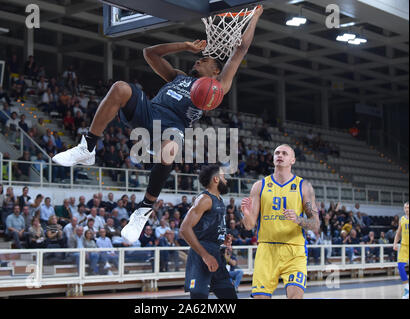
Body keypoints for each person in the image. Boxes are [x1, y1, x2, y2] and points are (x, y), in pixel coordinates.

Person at [53, 6, 264, 241]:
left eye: (203, 60)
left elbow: (240, 50)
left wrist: (254, 17)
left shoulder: (218, 86)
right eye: (197, 58)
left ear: (215, 70)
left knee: (170, 150)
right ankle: (87, 147)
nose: (198, 60)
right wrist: (185, 46)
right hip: (150, 112)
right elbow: (149, 53)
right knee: (120, 88)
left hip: (174, 126)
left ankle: (143, 209)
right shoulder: (178, 76)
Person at [240, 144, 320, 299]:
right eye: (277, 153)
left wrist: (297, 219)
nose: (280, 155)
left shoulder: (304, 187)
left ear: (293, 160)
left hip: (294, 250)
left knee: (295, 296)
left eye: (284, 153)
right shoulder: (259, 186)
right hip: (266, 249)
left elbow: (315, 224)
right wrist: (246, 214)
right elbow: (249, 225)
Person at [179, 164, 237, 299]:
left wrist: (223, 239)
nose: (226, 180)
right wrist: (205, 255)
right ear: (216, 179)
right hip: (201, 255)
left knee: (230, 295)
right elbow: (184, 228)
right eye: (223, 177)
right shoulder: (205, 199)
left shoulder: (219, 200)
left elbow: (209, 228)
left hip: (216, 254)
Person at [393, 201, 409, 299]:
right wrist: (395, 243)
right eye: (405, 208)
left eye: (408, 208)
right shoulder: (402, 219)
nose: (407, 209)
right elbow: (398, 233)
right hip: (404, 245)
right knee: (400, 266)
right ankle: (407, 289)